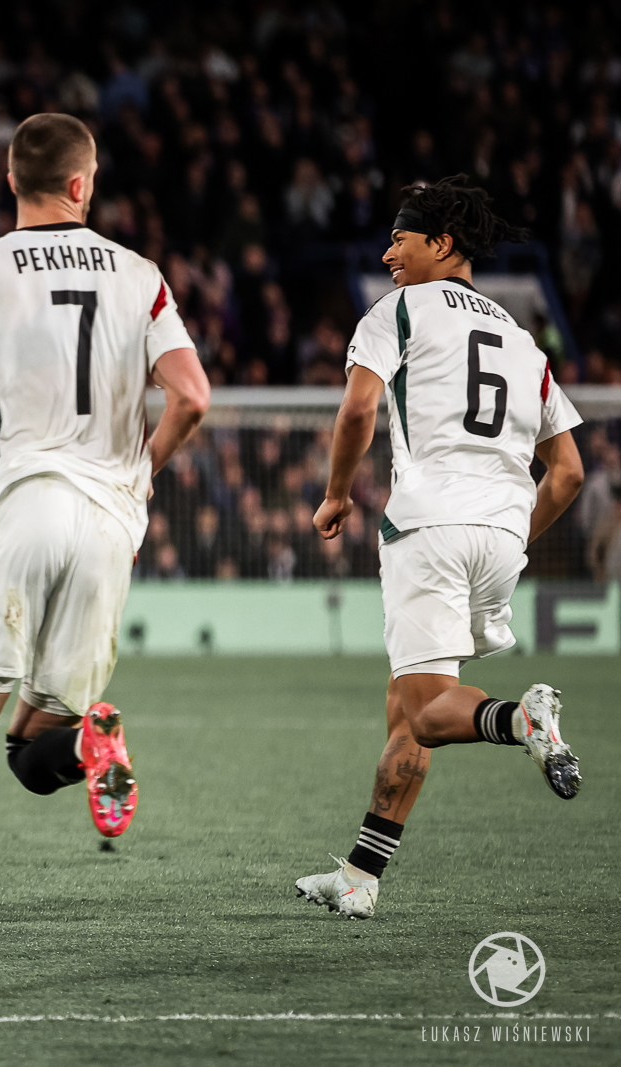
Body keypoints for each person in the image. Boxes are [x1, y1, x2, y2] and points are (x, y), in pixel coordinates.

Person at [0, 114, 210, 995]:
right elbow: (192, 396)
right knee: (34, 751)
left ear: (12, 183)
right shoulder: (140, 276)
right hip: (106, 525)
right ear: (80, 184)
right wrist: (138, 475)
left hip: (18, 510)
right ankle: (93, 745)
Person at [296, 176, 586, 921]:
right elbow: (569, 472)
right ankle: (360, 877)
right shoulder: (523, 340)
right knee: (409, 705)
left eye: (400, 239)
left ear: (442, 242)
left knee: (428, 712)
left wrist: (335, 494)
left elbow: (357, 408)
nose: (387, 254)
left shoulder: (399, 311)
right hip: (502, 534)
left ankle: (521, 719)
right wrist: (512, 536)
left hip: (430, 525)